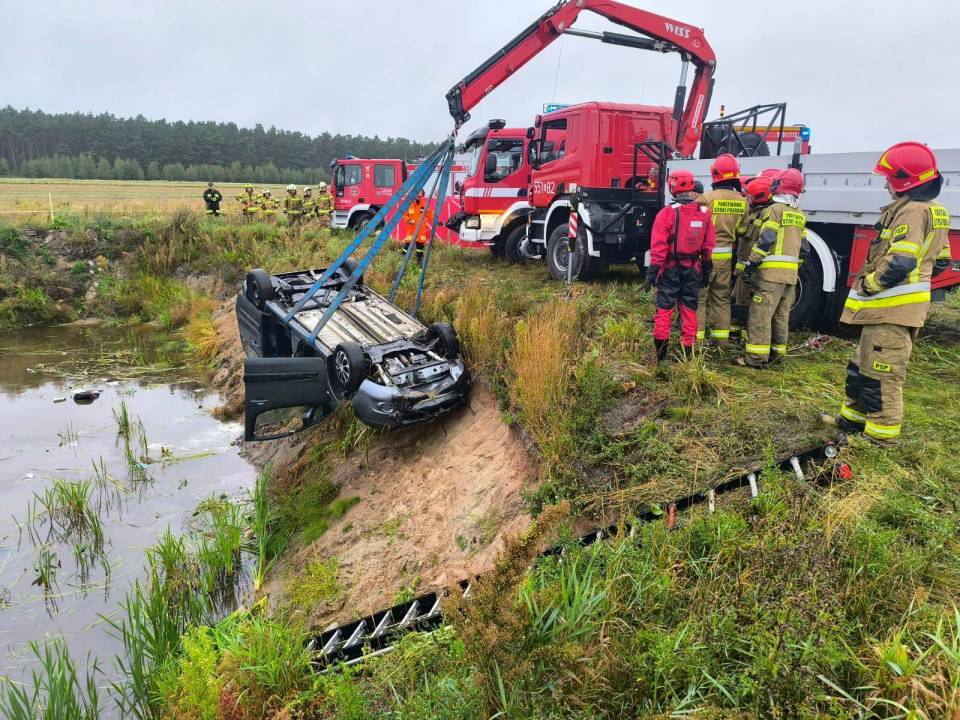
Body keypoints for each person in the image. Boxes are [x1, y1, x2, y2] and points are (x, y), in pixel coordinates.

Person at [824, 142, 951, 446]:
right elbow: (940, 261)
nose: (885, 185)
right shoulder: (934, 211)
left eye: (888, 178)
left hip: (892, 311)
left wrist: (870, 285)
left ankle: (880, 438)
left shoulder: (912, 212)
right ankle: (852, 420)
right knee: (861, 367)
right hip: (891, 311)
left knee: (882, 376)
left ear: (904, 180)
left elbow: (900, 262)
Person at [734, 168, 806, 368]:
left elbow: (767, 239)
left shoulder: (774, 210)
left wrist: (751, 263)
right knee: (781, 316)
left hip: (771, 276)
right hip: (790, 277)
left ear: (779, 186)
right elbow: (804, 248)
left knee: (760, 315)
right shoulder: (799, 214)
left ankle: (755, 358)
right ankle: (777, 354)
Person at [645, 169, 716, 363]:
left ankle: (661, 358)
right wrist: (707, 269)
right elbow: (708, 244)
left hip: (670, 268)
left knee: (664, 309)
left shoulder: (667, 213)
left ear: (673, 186)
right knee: (689, 310)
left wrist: (652, 272)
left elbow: (659, 247)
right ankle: (688, 356)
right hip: (693, 268)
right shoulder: (704, 213)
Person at [696, 154, 750, 345]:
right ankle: (721, 342)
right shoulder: (742, 201)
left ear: (715, 174)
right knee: (721, 299)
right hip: (725, 260)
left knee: (699, 299)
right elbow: (743, 231)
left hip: (704, 258)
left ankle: (696, 342)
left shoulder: (706, 198)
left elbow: (694, 227)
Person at [730, 173, 775, 339]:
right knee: (737, 298)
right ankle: (735, 332)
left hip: (753, 266)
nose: (746, 198)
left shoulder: (766, 214)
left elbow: (763, 241)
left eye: (749, 195)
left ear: (759, 196)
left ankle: (743, 333)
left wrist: (751, 265)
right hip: (744, 264)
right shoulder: (753, 211)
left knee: (745, 301)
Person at [403, 191, 434, 264]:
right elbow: (405, 216)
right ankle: (403, 260)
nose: (419, 197)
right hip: (411, 230)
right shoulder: (409, 204)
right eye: (417, 196)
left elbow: (430, 215)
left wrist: (436, 222)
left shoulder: (424, 205)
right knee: (407, 246)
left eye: (420, 196)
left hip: (421, 230)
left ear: (422, 196)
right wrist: (410, 221)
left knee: (420, 248)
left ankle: (419, 261)